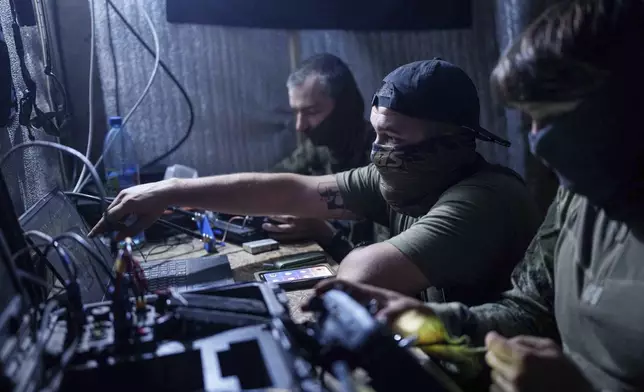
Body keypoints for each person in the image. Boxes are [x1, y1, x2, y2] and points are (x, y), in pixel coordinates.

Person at [313, 1, 644, 391]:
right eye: (530, 119)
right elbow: (530, 309)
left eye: (554, 117)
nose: (537, 140)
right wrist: (436, 322)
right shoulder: (580, 199)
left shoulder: (489, 194)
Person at [90, 58, 540, 306]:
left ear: (451, 141)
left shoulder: (483, 200)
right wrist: (170, 193)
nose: (377, 150)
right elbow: (292, 190)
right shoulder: (405, 174)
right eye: (376, 133)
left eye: (392, 138)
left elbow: (367, 272)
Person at [265, 53, 375, 260]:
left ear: (345, 106)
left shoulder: (380, 161)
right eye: (296, 113)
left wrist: (324, 233)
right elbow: (275, 179)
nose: (300, 126)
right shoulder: (321, 148)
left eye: (312, 112)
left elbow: (382, 264)